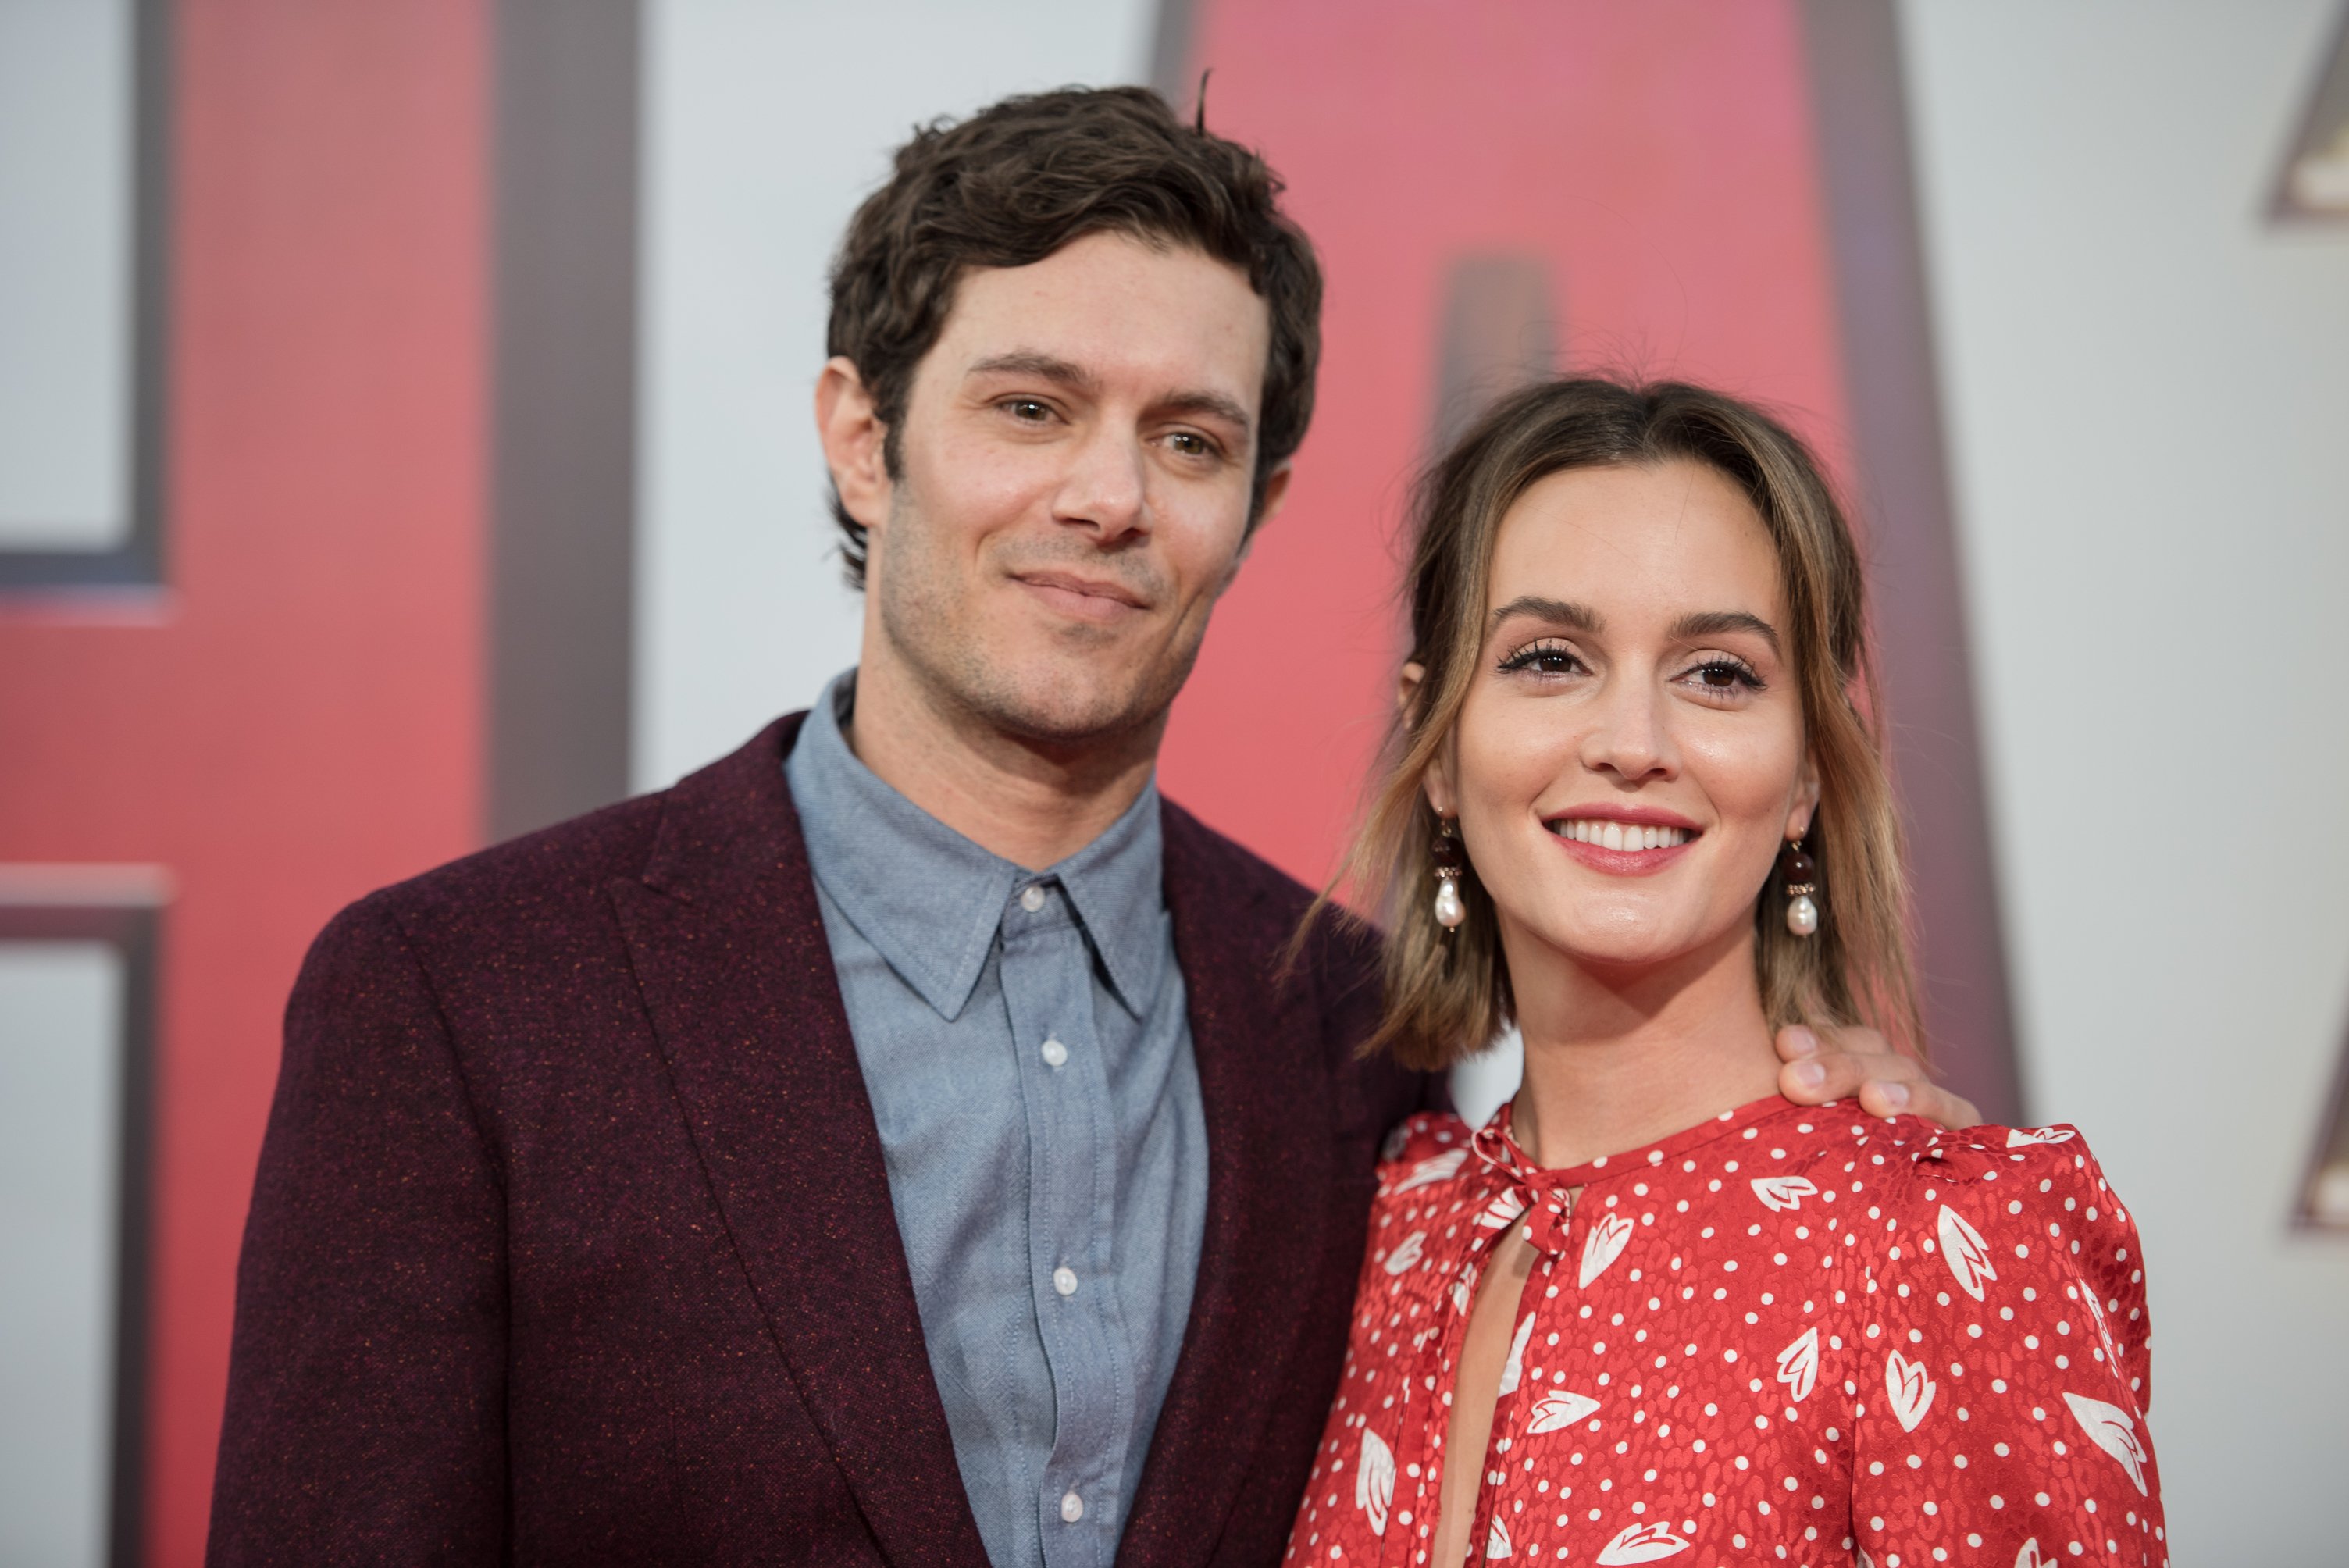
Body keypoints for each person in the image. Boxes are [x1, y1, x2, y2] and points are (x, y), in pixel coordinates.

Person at [207, 91, 1970, 1565]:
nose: (1106, 495)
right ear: (861, 438)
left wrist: (1846, 1132)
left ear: (1255, 505)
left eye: (1187, 438)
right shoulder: (464, 1001)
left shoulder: (1354, 1047)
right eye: (1030, 405)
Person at [1283, 378, 2163, 1567]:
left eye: (1720, 674)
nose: (1632, 742)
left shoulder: (1944, 1242)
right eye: (1549, 659)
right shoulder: (1391, 1216)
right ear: (1436, 743)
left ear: (1806, 773)